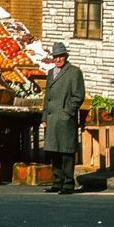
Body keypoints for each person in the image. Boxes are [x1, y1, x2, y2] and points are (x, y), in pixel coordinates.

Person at [41, 41, 85, 194]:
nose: (58, 59)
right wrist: (44, 117)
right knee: (54, 151)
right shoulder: (50, 73)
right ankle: (57, 181)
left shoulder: (74, 72)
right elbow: (47, 97)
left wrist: (67, 113)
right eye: (55, 57)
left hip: (65, 118)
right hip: (52, 118)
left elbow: (78, 96)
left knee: (66, 151)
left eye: (61, 56)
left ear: (66, 56)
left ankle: (68, 183)